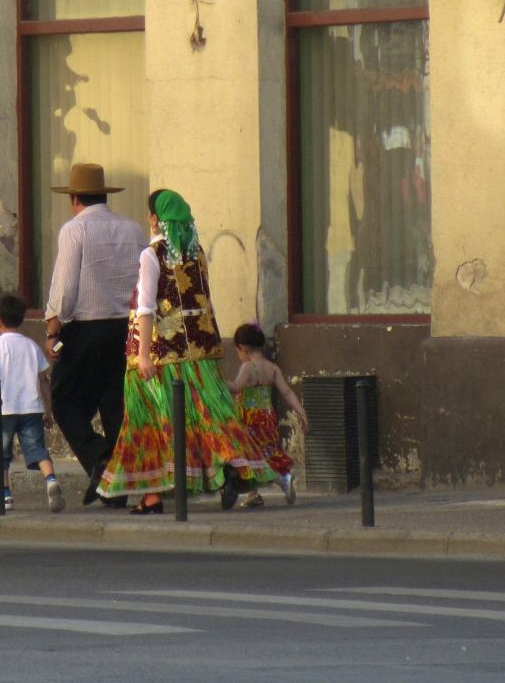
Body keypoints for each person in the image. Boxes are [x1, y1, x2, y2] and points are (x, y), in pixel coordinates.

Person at [97, 189, 274, 514]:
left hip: (161, 356)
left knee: (152, 423)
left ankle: (151, 496)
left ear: (155, 218)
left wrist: (146, 355)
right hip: (201, 356)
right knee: (211, 417)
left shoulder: (152, 255)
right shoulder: (197, 253)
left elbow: (147, 307)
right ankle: (230, 467)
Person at [43, 163, 145, 507]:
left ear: (75, 199)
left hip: (87, 328)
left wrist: (52, 328)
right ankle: (118, 486)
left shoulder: (74, 230)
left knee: (64, 401)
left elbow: (65, 286)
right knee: (115, 404)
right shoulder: (132, 230)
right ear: (104, 195)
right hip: (128, 328)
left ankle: (102, 460)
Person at [0, 293, 65, 514]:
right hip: (31, 408)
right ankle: (51, 479)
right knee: (37, 450)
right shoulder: (31, 347)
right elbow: (43, 380)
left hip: (4, 408)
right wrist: (48, 409)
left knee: (1, 454)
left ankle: (5, 495)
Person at [227, 322, 310, 508]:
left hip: (249, 417)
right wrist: (302, 412)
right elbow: (287, 392)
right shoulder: (272, 368)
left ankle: (281, 480)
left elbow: (236, 387)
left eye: (237, 351)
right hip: (267, 417)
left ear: (243, 348)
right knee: (266, 452)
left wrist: (218, 381)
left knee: (249, 455)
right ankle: (255, 493)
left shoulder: (248, 367)